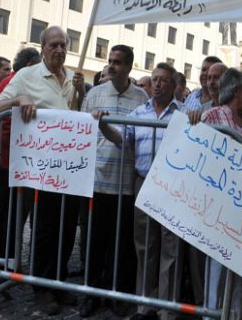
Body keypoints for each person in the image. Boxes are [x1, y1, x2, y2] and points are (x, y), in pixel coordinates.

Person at [0, 26, 85, 315]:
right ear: (42, 47)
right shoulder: (26, 76)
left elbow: (74, 115)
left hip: (70, 168)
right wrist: (19, 100)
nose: (59, 50)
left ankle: (58, 282)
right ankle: (41, 288)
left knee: (67, 228)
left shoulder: (72, 78)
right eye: (53, 45)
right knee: (45, 228)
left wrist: (81, 93)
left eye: (63, 45)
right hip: (41, 169)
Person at [95, 63, 184, 320]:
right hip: (144, 182)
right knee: (145, 246)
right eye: (154, 79)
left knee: (170, 249)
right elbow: (121, 138)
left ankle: (167, 310)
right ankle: (145, 306)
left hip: (174, 187)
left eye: (163, 80)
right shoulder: (139, 112)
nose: (157, 84)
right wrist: (104, 126)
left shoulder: (183, 114)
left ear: (173, 84)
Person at [80, 44, 148, 317]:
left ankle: (117, 294)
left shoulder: (142, 98)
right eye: (110, 61)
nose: (111, 66)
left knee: (121, 244)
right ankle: (91, 294)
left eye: (118, 62)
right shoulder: (94, 94)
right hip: (97, 180)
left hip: (126, 184)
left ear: (129, 67)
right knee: (94, 242)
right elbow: (82, 134)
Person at [201, 68, 242, 317]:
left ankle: (235, 314)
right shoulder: (211, 117)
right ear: (236, 91)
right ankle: (211, 314)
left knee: (240, 269)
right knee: (216, 271)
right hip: (217, 208)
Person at [0, 47, 40, 260]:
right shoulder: (17, 82)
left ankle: (2, 260)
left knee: (6, 216)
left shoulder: (17, 80)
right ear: (30, 66)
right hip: (6, 160)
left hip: (11, 160)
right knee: (2, 216)